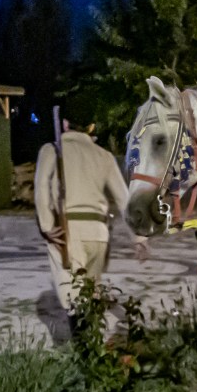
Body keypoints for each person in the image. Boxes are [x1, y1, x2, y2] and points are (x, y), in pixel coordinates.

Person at [34, 119, 130, 336]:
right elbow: (123, 198)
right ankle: (93, 344)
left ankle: (84, 348)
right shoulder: (103, 155)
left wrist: (47, 226)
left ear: (65, 123)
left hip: (67, 231)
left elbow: (41, 188)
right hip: (99, 233)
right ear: (90, 127)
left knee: (72, 297)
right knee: (91, 292)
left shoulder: (52, 150)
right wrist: (139, 237)